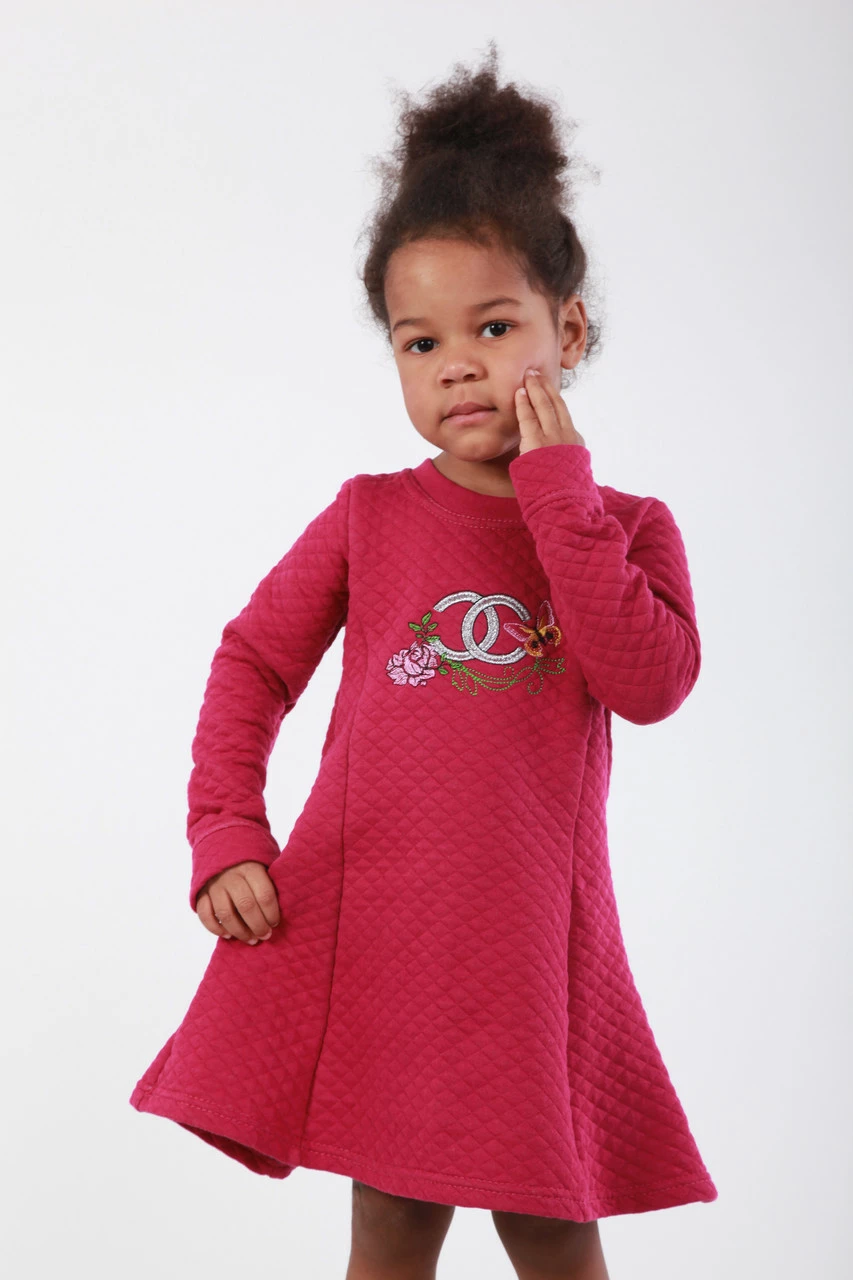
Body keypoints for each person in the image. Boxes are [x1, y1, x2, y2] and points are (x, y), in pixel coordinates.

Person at [129, 41, 717, 1280]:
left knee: (548, 1224)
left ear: (568, 327)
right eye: (418, 341)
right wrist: (225, 826)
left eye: (494, 328)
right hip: (377, 932)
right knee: (390, 1224)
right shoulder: (369, 516)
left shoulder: (624, 528)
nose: (456, 363)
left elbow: (647, 682)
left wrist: (558, 493)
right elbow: (251, 662)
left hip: (528, 952)